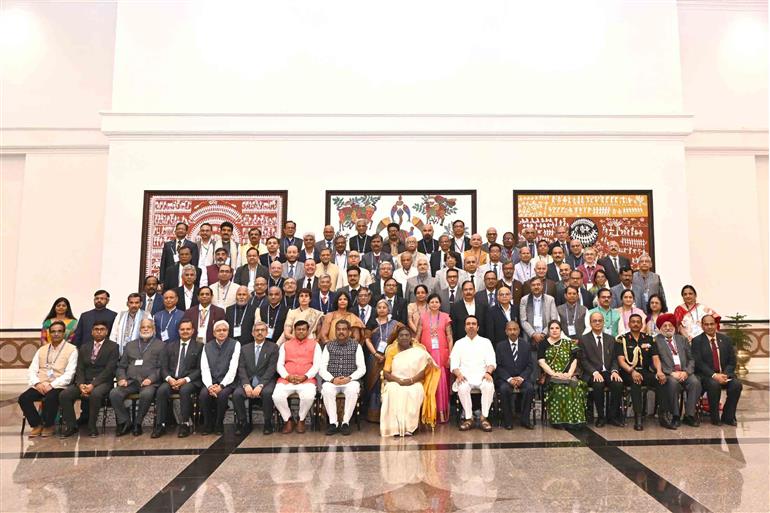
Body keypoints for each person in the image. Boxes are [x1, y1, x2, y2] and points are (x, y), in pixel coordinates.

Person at [59, 321, 118, 437]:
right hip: (84, 381)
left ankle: (92, 426)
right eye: (96, 329)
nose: (99, 331)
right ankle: (71, 426)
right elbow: (80, 368)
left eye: (102, 329)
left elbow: (109, 370)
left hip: (103, 382)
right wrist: (81, 384)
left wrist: (93, 385)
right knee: (64, 395)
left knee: (95, 394)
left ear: (106, 332)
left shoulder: (113, 347)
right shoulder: (84, 347)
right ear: (92, 332)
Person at [19, 320, 77, 438]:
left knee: (51, 397)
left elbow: (70, 374)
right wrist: (37, 383)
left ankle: (48, 425)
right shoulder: (42, 350)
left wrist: (52, 385)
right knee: (24, 398)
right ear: (49, 333)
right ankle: (36, 424)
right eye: (53, 331)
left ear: (64, 333)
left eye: (59, 331)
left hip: (59, 385)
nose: (56, 334)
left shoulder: (72, 350)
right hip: (41, 383)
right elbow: (32, 369)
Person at [380, 326, 439, 437]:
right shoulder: (392, 351)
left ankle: (409, 428)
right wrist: (399, 381)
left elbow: (423, 371)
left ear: (411, 337)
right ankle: (395, 428)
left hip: (414, 381)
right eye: (401, 335)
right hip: (395, 381)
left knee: (414, 391)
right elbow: (386, 372)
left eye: (407, 335)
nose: (404, 337)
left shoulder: (418, 351)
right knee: (391, 391)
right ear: (397, 338)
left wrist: (411, 380)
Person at [110, 319, 164, 436]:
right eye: (143, 327)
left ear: (153, 330)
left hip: (149, 382)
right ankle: (126, 421)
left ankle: (138, 423)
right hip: (130, 382)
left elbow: (161, 368)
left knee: (146, 394)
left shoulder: (161, 345)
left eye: (148, 327)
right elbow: (121, 366)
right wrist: (121, 378)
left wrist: (151, 379)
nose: (145, 329)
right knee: (114, 393)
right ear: (139, 330)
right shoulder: (130, 345)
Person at [153, 319, 203, 438]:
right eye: (182, 329)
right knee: (161, 390)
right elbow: (163, 367)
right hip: (171, 380)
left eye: (188, 329)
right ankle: (161, 424)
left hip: (189, 381)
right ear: (178, 331)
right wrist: (169, 379)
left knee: (184, 390)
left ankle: (185, 423)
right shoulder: (169, 346)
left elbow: (200, 369)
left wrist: (185, 380)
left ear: (192, 331)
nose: (185, 331)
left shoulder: (200, 346)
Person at [691, 314, 742, 426]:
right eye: (706, 324)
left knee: (736, 385)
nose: (709, 327)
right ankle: (715, 418)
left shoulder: (726, 339)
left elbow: (732, 361)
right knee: (714, 384)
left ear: (716, 325)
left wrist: (725, 375)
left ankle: (728, 416)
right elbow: (699, 363)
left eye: (712, 324)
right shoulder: (697, 341)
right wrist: (714, 375)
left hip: (724, 375)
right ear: (702, 326)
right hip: (706, 376)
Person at [273, 320, 322, 434]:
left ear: (308, 331)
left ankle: (301, 419)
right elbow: (279, 365)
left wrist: (305, 376)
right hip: (287, 380)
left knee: (308, 396)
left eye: (303, 329)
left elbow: (317, 365)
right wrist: (287, 376)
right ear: (294, 331)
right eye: (298, 329)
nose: (301, 331)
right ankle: (288, 420)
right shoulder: (285, 344)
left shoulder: (315, 344)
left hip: (306, 380)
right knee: (277, 396)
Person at [654, 313, 701, 429]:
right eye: (664, 326)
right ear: (660, 328)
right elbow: (654, 361)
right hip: (669, 374)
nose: (668, 328)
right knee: (673, 384)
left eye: (670, 325)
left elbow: (691, 359)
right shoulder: (655, 341)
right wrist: (670, 373)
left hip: (684, 372)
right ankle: (675, 415)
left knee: (695, 382)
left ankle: (689, 415)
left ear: (674, 326)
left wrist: (686, 372)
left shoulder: (682, 339)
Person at [538, 321, 587, 429]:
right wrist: (554, 374)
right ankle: (559, 421)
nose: (554, 330)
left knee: (576, 386)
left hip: (567, 375)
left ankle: (576, 421)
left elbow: (574, 359)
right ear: (548, 330)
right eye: (552, 328)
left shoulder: (568, 343)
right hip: (551, 377)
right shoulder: (543, 344)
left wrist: (569, 374)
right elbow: (541, 362)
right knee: (560, 388)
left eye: (557, 328)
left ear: (561, 330)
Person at [450, 316, 496, 432]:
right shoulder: (459, 343)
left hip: (482, 375)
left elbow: (491, 362)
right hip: (464, 377)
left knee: (488, 385)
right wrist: (459, 375)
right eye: (468, 324)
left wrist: (488, 372)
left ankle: (484, 418)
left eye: (473, 324)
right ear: (465, 327)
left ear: (478, 327)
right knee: (463, 387)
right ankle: (468, 418)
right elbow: (454, 364)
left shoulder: (486, 342)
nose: (471, 326)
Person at [320, 320, 366, 435]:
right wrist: (332, 379)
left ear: (349, 332)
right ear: (335, 331)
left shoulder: (356, 346)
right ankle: (333, 423)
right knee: (326, 389)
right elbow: (322, 368)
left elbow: (362, 368)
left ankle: (346, 422)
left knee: (353, 389)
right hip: (332, 380)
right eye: (338, 329)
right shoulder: (328, 346)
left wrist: (349, 378)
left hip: (350, 380)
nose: (341, 332)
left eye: (344, 329)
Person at [233, 321, 280, 435]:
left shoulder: (273, 347)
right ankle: (243, 422)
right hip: (248, 381)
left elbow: (271, 369)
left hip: (266, 381)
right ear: (252, 333)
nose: (259, 332)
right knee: (237, 394)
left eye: (262, 330)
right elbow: (241, 368)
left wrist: (261, 385)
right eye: (257, 330)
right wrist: (245, 384)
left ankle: (268, 422)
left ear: (266, 332)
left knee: (267, 393)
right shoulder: (244, 348)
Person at [615, 314, 660, 431]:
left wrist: (659, 371)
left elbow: (655, 358)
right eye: (633, 322)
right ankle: (638, 417)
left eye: (638, 322)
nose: (635, 324)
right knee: (636, 382)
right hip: (627, 372)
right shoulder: (622, 339)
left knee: (662, 381)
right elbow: (621, 361)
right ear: (629, 324)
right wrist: (632, 371)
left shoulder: (649, 339)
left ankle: (664, 413)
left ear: (642, 324)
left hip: (644, 371)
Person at [581, 312, 624, 427]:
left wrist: (615, 371)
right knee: (598, 384)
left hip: (608, 371)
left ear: (603, 322)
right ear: (590, 323)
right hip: (592, 372)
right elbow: (583, 360)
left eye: (600, 320)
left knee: (618, 383)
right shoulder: (584, 339)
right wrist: (594, 372)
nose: (597, 323)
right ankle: (600, 416)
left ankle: (612, 416)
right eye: (594, 321)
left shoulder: (610, 339)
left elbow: (615, 358)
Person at [363, 299, 403, 422]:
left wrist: (389, 353)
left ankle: (389, 415)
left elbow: (402, 338)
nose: (381, 309)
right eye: (379, 307)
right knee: (374, 385)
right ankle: (374, 415)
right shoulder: (371, 323)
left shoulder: (395, 324)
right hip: (374, 358)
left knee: (387, 384)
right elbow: (367, 339)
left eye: (384, 307)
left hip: (390, 358)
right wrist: (375, 353)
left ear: (388, 309)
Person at [416, 294, 453, 423]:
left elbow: (449, 337)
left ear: (440, 304)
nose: (434, 304)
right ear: (428, 303)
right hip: (427, 352)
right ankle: (428, 413)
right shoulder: (423, 317)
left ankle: (441, 413)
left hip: (442, 353)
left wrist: (451, 355)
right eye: (431, 302)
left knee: (441, 381)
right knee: (428, 381)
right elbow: (418, 336)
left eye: (436, 302)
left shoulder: (445, 317)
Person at [199, 320, 241, 435]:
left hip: (228, 382)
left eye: (224, 330)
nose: (221, 332)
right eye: (218, 330)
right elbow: (205, 368)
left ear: (228, 331)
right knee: (203, 394)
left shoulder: (235, 344)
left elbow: (233, 369)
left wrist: (222, 385)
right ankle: (208, 424)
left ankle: (218, 424)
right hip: (211, 381)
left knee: (222, 395)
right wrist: (209, 386)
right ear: (214, 333)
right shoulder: (207, 346)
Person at [494, 321, 535, 429]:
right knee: (503, 389)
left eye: (515, 329)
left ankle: (525, 419)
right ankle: (508, 421)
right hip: (506, 379)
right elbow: (498, 366)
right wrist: (509, 379)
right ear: (506, 331)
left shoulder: (526, 345)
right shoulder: (500, 346)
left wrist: (521, 378)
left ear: (519, 331)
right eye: (510, 330)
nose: (512, 332)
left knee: (530, 388)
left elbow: (530, 365)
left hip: (522, 378)